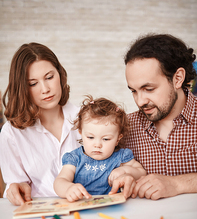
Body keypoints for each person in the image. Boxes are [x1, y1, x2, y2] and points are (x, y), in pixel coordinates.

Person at [0, 43, 81, 206]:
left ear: (60, 74)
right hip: (41, 215)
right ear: (22, 88)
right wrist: (16, 188)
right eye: (33, 83)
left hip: (88, 208)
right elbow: (14, 182)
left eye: (49, 77)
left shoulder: (86, 118)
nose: (45, 89)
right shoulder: (12, 133)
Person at [122, 33, 197, 200]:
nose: (140, 101)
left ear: (178, 78)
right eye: (134, 91)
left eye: (148, 89)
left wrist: (177, 184)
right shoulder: (125, 126)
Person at [54, 96, 146, 202]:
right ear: (81, 133)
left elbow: (141, 172)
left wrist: (125, 170)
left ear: (118, 139)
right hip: (82, 205)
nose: (97, 145)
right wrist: (68, 189)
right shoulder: (75, 158)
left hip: (113, 206)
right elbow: (60, 181)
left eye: (106, 139)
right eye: (90, 137)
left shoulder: (121, 156)